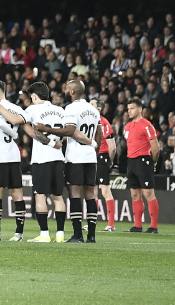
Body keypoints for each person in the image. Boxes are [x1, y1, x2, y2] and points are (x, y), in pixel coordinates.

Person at [19, 82, 69, 242]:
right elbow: (67, 132)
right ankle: (60, 234)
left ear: (34, 96)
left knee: (40, 196)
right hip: (58, 158)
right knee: (58, 197)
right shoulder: (60, 110)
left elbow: (20, 121)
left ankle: (45, 234)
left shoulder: (33, 109)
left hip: (41, 159)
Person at [0, 81, 28, 241]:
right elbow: (22, 123)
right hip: (13, 156)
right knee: (17, 193)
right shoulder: (17, 109)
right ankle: (19, 233)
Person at [62, 80, 102, 242]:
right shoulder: (93, 109)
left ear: (72, 92)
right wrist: (94, 150)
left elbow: (71, 131)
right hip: (90, 157)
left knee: (74, 193)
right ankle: (91, 235)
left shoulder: (71, 108)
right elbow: (99, 133)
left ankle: (77, 234)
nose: (65, 91)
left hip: (75, 156)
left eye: (67, 89)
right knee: (90, 194)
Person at [122, 99, 161, 234]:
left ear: (140, 110)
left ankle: (153, 226)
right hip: (131, 162)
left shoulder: (147, 125)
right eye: (128, 109)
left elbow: (156, 148)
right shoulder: (127, 126)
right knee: (134, 194)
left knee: (148, 193)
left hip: (143, 161)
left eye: (132, 108)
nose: (129, 111)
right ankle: (137, 225)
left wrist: (152, 163)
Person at [96, 111, 118, 232]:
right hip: (92, 157)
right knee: (92, 192)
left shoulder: (104, 123)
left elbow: (112, 147)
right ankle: (91, 222)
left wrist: (109, 161)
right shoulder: (91, 120)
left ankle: (111, 224)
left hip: (101, 157)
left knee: (105, 191)